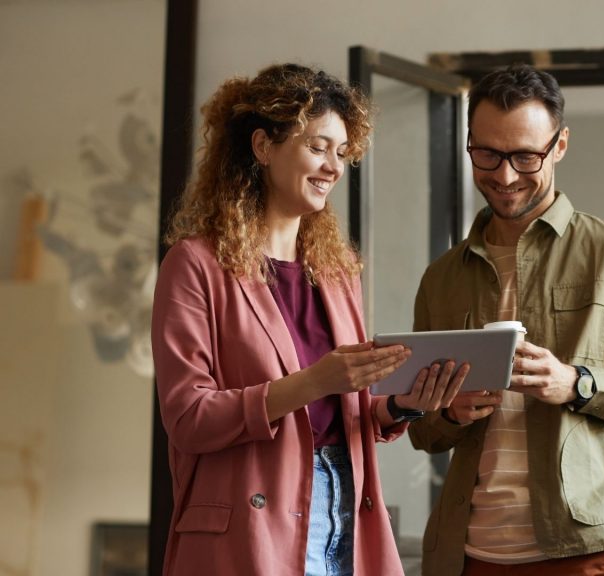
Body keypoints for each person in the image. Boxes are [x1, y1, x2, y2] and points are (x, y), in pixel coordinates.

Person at [151, 63, 467, 576]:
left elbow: (346, 408)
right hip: (252, 526)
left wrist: (403, 405)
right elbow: (188, 418)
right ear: (262, 147)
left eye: (342, 153)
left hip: (348, 509)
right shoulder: (195, 265)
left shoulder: (336, 270)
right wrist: (313, 381)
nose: (334, 167)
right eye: (318, 147)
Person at [408, 63, 604, 576]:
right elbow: (422, 433)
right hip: (466, 554)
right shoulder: (440, 278)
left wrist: (574, 383)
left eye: (525, 156)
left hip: (583, 549)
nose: (506, 174)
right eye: (487, 154)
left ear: (559, 146)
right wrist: (448, 411)